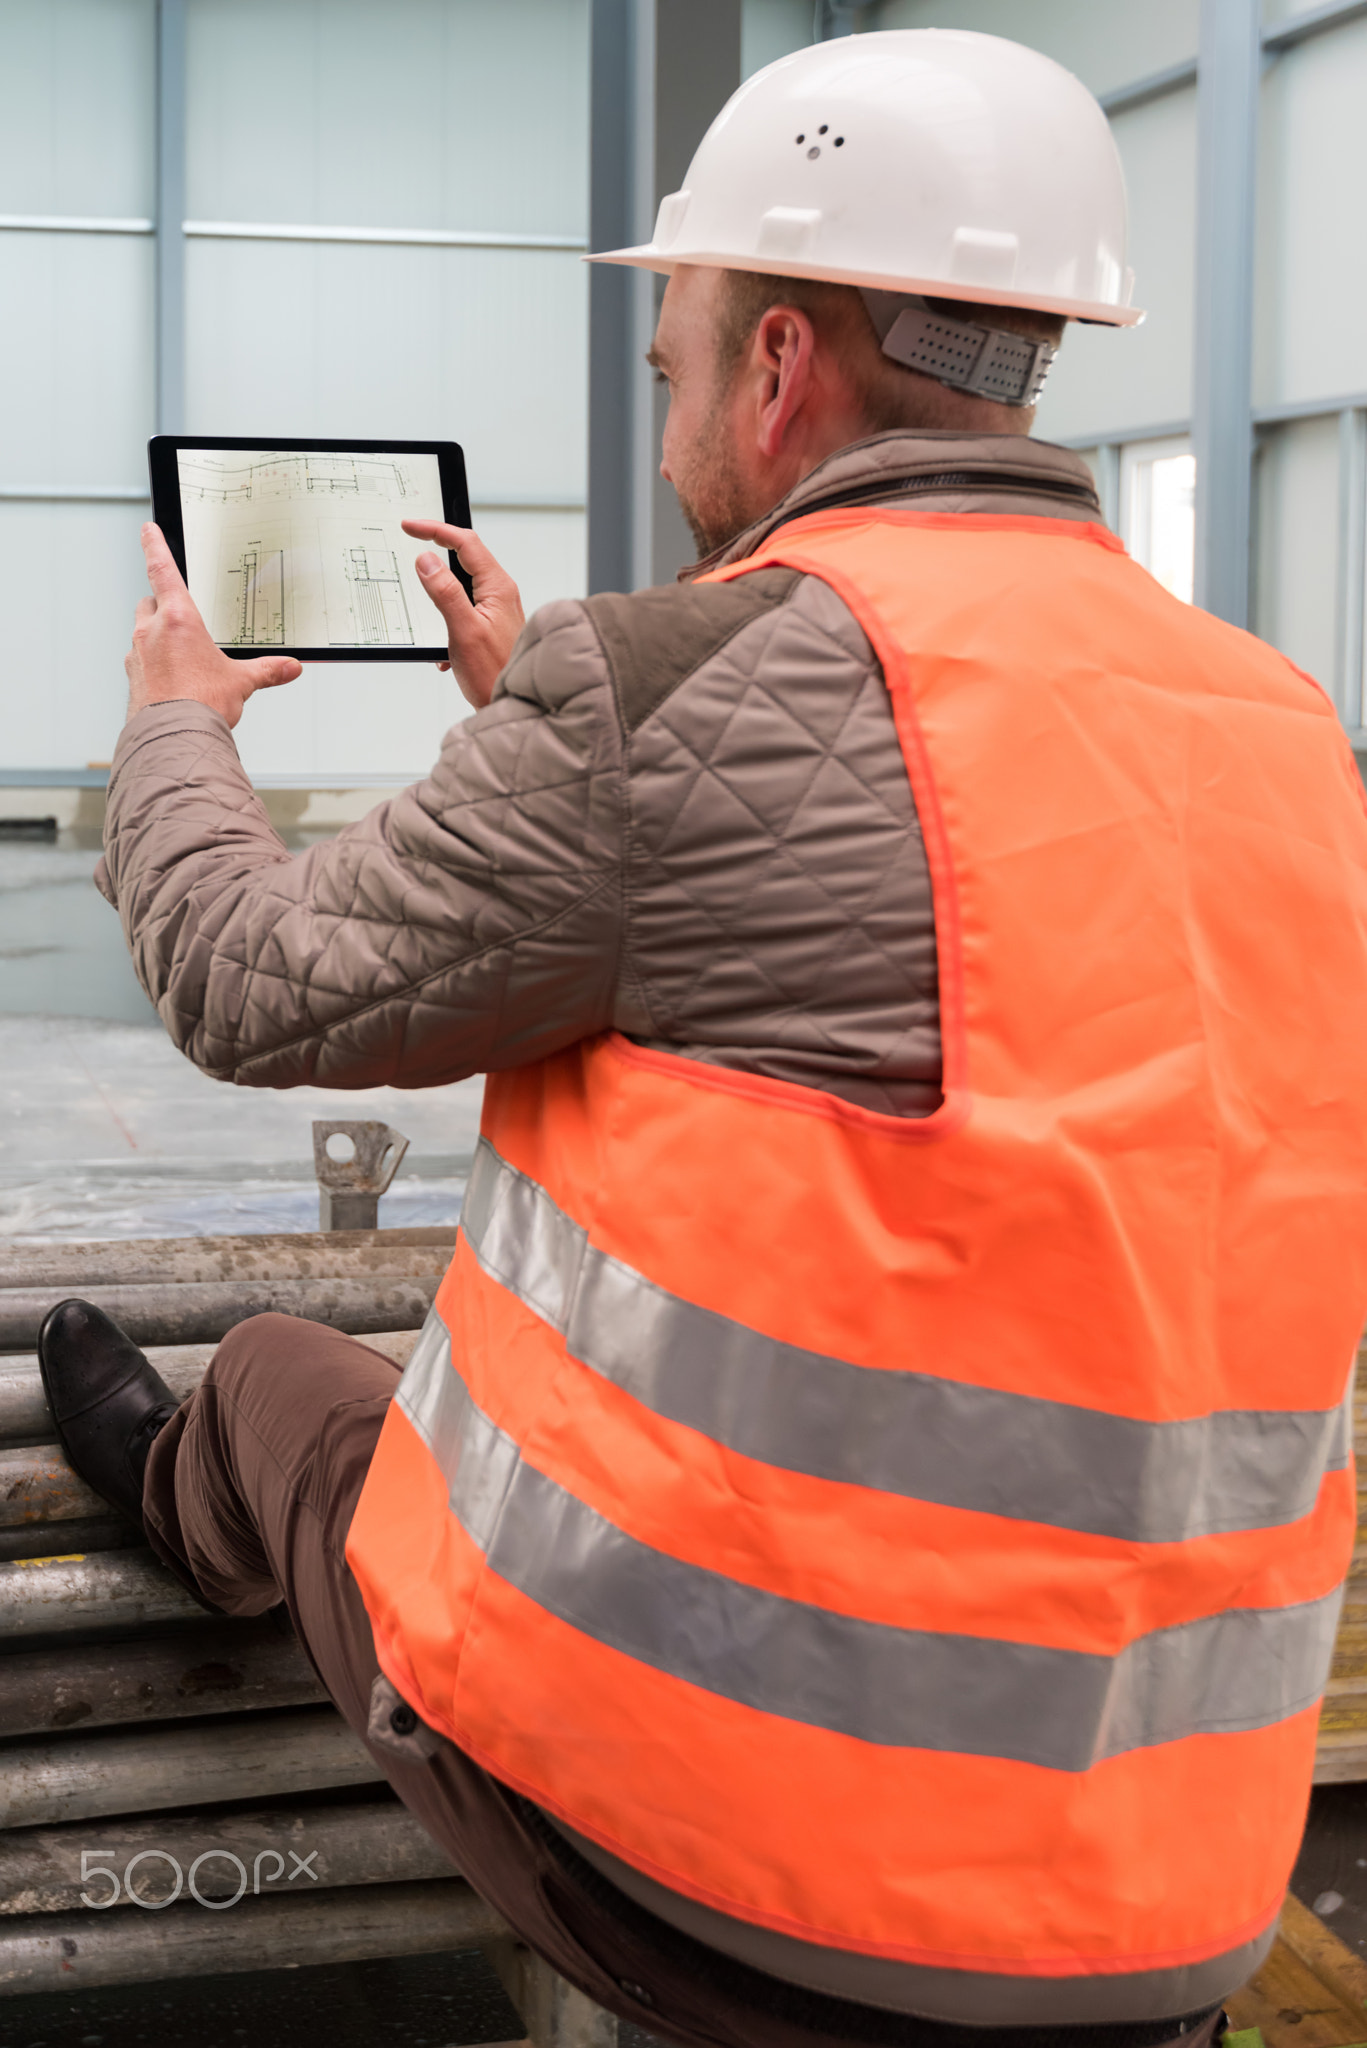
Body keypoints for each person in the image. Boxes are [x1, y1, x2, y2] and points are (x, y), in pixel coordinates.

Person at [39, 28, 1367, 2047]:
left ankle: (171, 1484)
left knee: (291, 1384)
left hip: (739, 1880)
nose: (667, 410)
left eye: (673, 360)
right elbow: (897, 933)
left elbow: (246, 973)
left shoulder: (661, 693)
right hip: (1164, 1884)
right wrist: (535, 717)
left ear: (778, 367)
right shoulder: (1279, 727)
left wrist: (170, 724)